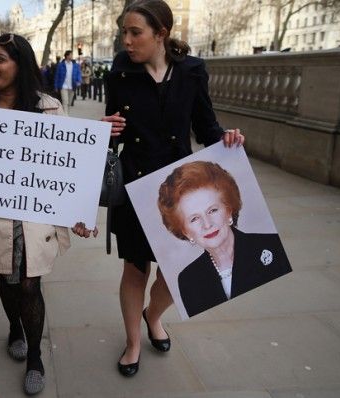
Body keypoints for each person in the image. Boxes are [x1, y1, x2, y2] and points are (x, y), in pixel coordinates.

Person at [101, 0, 245, 377]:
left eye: (136, 33)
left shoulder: (193, 72)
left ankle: (154, 315)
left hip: (181, 190)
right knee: (135, 269)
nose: (126, 41)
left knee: (174, 270)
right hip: (135, 184)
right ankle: (134, 342)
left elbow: (207, 127)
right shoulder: (119, 72)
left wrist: (227, 138)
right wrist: (104, 129)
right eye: (124, 32)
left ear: (160, 34)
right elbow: (111, 135)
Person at [0, 33, 95, 395]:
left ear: (20, 64)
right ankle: (14, 327)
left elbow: (68, 168)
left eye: (0, 59)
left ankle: (35, 356)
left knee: (30, 282)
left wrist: (79, 211)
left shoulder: (48, 107)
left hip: (36, 216)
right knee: (5, 275)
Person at [158, 161, 291, 317]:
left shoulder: (272, 246)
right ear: (186, 232)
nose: (207, 224)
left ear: (229, 210)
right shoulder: (188, 279)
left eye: (212, 210)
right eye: (194, 219)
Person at [54, 50, 81, 114]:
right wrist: (55, 86)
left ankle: (67, 114)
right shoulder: (61, 65)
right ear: (67, 56)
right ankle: (65, 116)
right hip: (63, 86)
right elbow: (57, 76)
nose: (72, 56)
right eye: (71, 54)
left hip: (72, 86)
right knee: (65, 102)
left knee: (69, 103)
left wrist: (79, 81)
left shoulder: (75, 65)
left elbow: (78, 73)